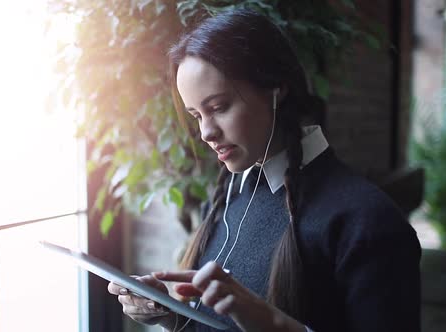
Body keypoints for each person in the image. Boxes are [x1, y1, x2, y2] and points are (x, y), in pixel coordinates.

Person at [108, 8, 421, 332]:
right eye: (196, 115)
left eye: (218, 107)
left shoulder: (366, 221)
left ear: (276, 88)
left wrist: (270, 322)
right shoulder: (226, 200)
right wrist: (170, 315)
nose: (206, 132)